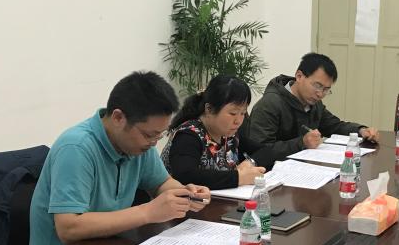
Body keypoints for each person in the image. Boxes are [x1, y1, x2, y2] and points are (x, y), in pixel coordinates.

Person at [28, 71, 211, 245]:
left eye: (160, 135)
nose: (154, 143)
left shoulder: (138, 145)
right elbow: (68, 228)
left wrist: (186, 194)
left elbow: (161, 183)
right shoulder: (76, 148)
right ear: (118, 118)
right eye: (149, 135)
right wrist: (147, 212)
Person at [247, 52, 379, 167]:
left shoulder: (313, 102)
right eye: (317, 86)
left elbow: (334, 126)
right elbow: (260, 151)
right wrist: (301, 143)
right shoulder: (270, 104)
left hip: (303, 169)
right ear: (299, 76)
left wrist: (361, 130)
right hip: (271, 175)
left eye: (326, 89)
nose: (320, 94)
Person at [161, 75, 266, 189]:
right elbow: (185, 175)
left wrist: (250, 162)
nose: (238, 121)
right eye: (233, 113)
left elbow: (267, 151)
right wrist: (238, 178)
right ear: (209, 109)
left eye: (243, 113)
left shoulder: (228, 134)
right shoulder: (188, 135)